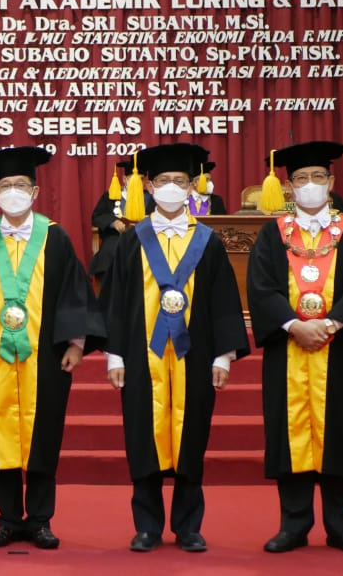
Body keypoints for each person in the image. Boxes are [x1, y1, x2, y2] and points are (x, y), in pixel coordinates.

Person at [98, 143, 250, 553]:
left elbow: (222, 301)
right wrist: (114, 353)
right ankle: (147, 524)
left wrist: (223, 355)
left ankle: (188, 525)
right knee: (142, 436)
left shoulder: (208, 242)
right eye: (163, 181)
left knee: (192, 434)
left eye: (179, 181)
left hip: (195, 354)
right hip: (139, 354)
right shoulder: (131, 242)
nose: (170, 188)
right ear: (147, 185)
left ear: (192, 186)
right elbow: (115, 301)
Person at [0, 146, 102, 550]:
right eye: (5, 185)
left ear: (35, 193)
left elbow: (74, 293)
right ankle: (6, 519)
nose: (13, 192)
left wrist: (75, 343)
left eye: (21, 185)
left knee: (43, 434)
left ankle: (39, 520)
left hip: (46, 357)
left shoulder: (54, 236)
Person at [246, 140, 343, 557]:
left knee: (339, 432)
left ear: (332, 181)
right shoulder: (272, 235)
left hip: (338, 350)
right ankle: (294, 523)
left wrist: (330, 324)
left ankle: (341, 524)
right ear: (288, 188)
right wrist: (292, 325)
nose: (309, 185)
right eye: (301, 179)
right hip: (288, 349)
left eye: (317, 177)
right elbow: (260, 287)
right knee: (290, 436)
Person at [88, 159, 153, 281]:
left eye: (141, 179)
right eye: (133, 179)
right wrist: (113, 222)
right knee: (109, 251)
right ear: (124, 180)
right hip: (116, 238)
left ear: (145, 181)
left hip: (144, 239)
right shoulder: (111, 196)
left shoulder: (151, 199)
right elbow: (97, 216)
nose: (137, 183)